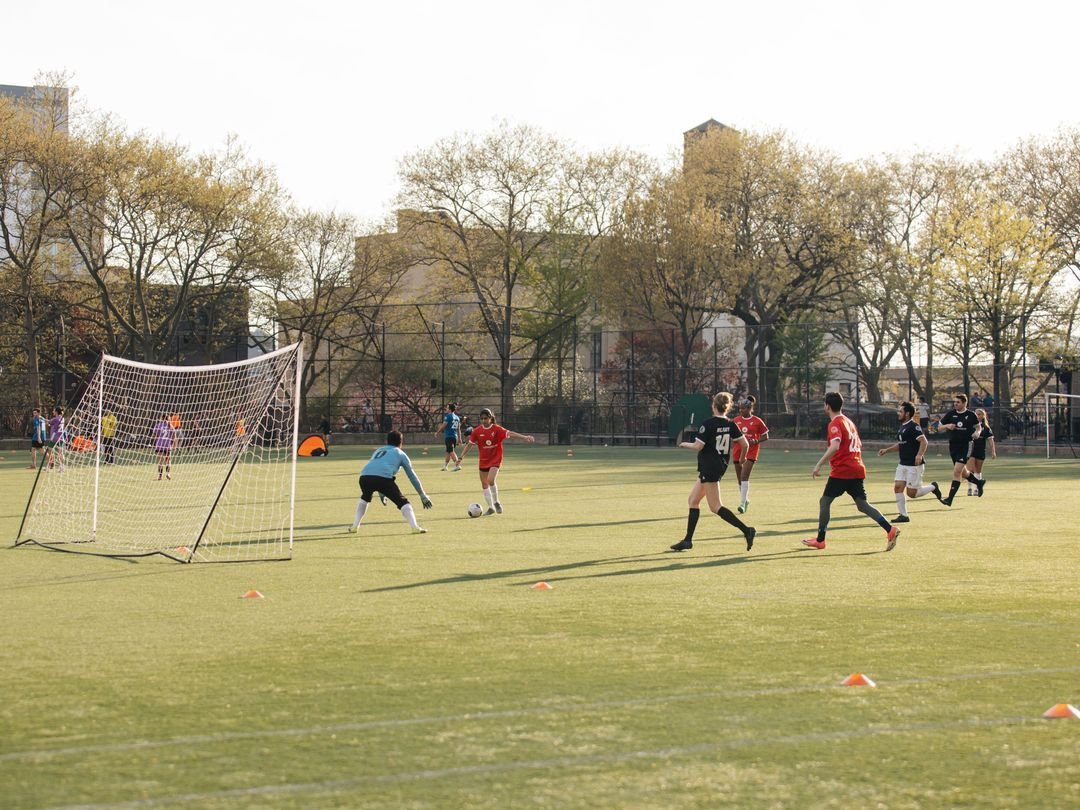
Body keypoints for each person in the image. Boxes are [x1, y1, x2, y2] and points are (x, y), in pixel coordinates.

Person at [803, 392, 901, 552]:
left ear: (827, 406)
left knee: (825, 501)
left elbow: (835, 445)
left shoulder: (835, 423)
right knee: (862, 505)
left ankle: (820, 540)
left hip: (843, 470)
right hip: (856, 468)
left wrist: (819, 464)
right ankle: (890, 529)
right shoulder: (849, 422)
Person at [670, 391, 756, 552]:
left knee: (716, 507)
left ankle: (747, 530)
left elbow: (698, 446)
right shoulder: (731, 424)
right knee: (693, 500)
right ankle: (688, 540)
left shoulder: (708, 424)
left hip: (709, 467)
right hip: (717, 466)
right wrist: (742, 459)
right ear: (727, 407)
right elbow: (745, 445)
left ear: (714, 406)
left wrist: (683, 444)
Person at [348, 430, 432, 534]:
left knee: (365, 498)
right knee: (403, 502)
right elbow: (412, 476)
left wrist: (382, 493)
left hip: (364, 477)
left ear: (387, 441)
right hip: (382, 479)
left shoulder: (379, 450)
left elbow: (375, 469)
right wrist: (422, 495)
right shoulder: (401, 454)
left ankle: (355, 526)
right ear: (401, 442)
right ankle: (415, 527)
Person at [457, 407, 535, 515]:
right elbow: (469, 445)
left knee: (490, 480)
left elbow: (510, 433)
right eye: (481, 419)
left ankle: (496, 502)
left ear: (490, 418)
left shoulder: (497, 429)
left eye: (485, 418)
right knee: (484, 484)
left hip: (495, 459)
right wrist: (461, 457)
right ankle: (491, 507)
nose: (483, 421)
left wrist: (525, 437)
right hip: (484, 460)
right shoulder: (477, 431)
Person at [876, 401, 944, 522]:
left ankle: (933, 487)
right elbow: (901, 444)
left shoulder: (914, 426)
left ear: (907, 414)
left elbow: (924, 441)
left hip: (914, 465)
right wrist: (887, 450)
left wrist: (919, 455)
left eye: (901, 411)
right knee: (897, 488)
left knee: (912, 494)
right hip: (903, 463)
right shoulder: (903, 427)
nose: (898, 413)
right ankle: (903, 515)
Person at [936, 392, 985, 505]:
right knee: (963, 473)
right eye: (954, 402)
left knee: (957, 471)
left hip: (966, 445)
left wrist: (977, 433)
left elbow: (978, 427)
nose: (955, 404)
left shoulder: (971, 415)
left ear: (964, 403)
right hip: (953, 446)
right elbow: (939, 427)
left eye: (958, 402)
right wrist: (947, 426)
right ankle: (979, 482)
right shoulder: (951, 414)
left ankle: (949, 499)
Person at [732, 395, 769, 514]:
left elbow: (765, 436)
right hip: (738, 450)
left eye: (743, 408)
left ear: (749, 408)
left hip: (751, 451)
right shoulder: (736, 420)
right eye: (740, 408)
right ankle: (745, 499)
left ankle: (742, 504)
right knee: (739, 478)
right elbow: (732, 435)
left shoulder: (757, 421)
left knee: (744, 476)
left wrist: (756, 441)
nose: (741, 411)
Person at [966, 408, 996, 496]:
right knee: (970, 469)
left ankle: (977, 489)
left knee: (978, 470)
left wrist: (993, 451)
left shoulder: (986, 428)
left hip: (980, 450)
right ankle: (969, 488)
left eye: (979, 414)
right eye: (976, 414)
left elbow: (991, 440)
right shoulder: (970, 425)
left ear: (983, 416)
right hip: (971, 450)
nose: (977, 416)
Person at [436, 402, 463, 471]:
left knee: (451, 451)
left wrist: (437, 432)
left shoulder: (448, 416)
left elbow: (444, 425)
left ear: (450, 409)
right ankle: (445, 466)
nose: (446, 409)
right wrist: (459, 439)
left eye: (447, 408)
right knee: (448, 451)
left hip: (449, 436)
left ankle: (457, 465)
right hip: (454, 437)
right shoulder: (457, 417)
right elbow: (459, 429)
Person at [152, 412, 175, 480]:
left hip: (159, 444)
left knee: (160, 461)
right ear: (169, 419)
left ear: (161, 418)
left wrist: (158, 438)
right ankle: (168, 473)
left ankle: (160, 476)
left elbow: (154, 436)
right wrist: (174, 444)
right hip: (167, 444)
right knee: (168, 460)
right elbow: (174, 436)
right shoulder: (170, 425)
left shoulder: (158, 425)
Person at [46, 406, 65, 471]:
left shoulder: (55, 418)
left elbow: (48, 421)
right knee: (60, 452)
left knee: (49, 450)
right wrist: (51, 425)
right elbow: (56, 425)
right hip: (61, 437)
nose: (53, 411)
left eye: (54, 410)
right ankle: (62, 467)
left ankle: (49, 465)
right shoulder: (62, 418)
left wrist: (41, 418)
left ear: (56, 412)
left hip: (54, 437)